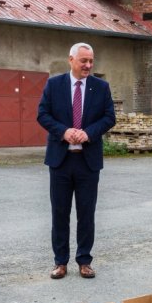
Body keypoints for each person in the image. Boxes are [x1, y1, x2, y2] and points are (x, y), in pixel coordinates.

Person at [37, 42, 116, 280]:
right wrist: (63, 131)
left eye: (91, 61)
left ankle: (84, 260)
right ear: (71, 60)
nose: (88, 66)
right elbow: (42, 114)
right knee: (59, 213)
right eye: (84, 61)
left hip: (87, 161)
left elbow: (109, 117)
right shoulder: (54, 84)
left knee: (86, 213)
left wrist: (89, 133)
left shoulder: (101, 87)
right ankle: (60, 262)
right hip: (60, 160)